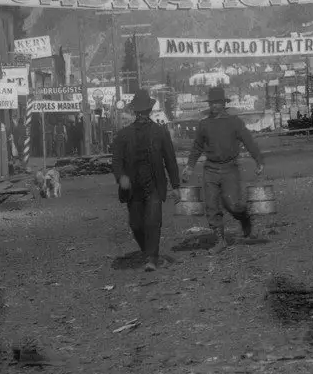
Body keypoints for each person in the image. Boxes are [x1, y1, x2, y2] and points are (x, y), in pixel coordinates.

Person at [185, 85, 265, 254]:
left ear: (224, 103)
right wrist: (190, 166)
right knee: (212, 206)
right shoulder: (203, 125)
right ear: (209, 104)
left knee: (233, 204)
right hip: (210, 170)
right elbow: (197, 147)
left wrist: (259, 160)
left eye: (218, 102)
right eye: (212, 103)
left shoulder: (234, 122)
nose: (215, 106)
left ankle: (244, 220)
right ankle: (220, 241)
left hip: (230, 169)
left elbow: (249, 141)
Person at [111, 93, 181, 272]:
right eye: (139, 112)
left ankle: (152, 257)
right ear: (135, 112)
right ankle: (147, 251)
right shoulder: (123, 135)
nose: (142, 115)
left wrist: (176, 186)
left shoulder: (160, 133)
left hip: (154, 185)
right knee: (136, 224)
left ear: (149, 111)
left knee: (152, 221)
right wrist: (121, 177)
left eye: (145, 112)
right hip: (133, 189)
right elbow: (117, 162)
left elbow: (170, 161)